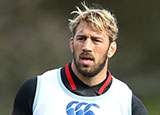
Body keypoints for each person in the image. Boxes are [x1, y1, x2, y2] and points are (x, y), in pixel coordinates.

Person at [11, 2, 148, 115]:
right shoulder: (35, 91)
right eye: (81, 39)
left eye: (96, 40)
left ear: (111, 49)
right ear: (72, 44)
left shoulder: (128, 104)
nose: (87, 47)